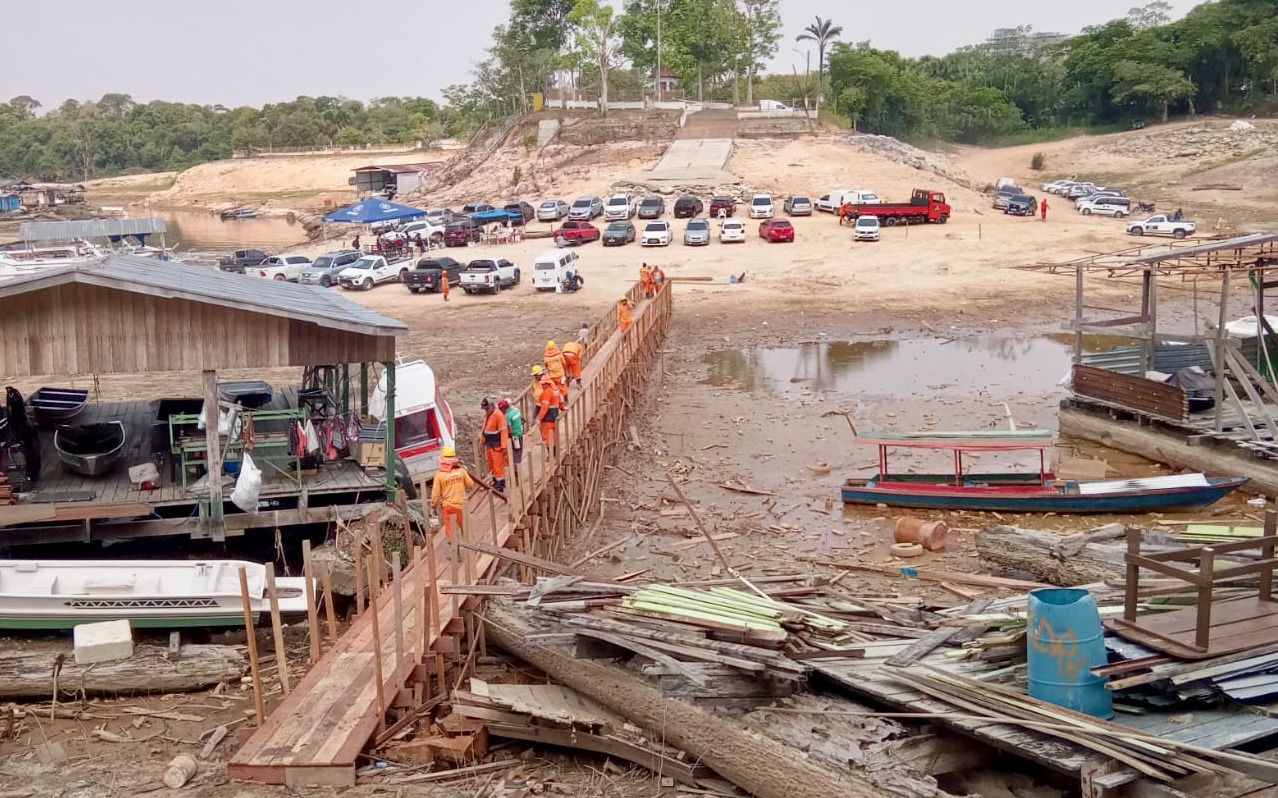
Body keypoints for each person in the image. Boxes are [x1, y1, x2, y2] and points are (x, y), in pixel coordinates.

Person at [429, 445, 473, 539]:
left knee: (451, 532)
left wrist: (433, 506)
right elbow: (470, 484)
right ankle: (469, 548)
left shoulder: (439, 475)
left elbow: (435, 494)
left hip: (448, 506)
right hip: (461, 505)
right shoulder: (461, 471)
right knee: (465, 530)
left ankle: (453, 545)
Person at [480, 397, 510, 493]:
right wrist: (482, 441)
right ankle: (495, 481)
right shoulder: (488, 415)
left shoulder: (498, 415)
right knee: (491, 464)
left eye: (487, 408)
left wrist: (504, 446)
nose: (486, 410)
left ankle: (500, 485)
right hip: (489, 444)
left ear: (492, 406)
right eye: (485, 409)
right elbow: (485, 429)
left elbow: (504, 432)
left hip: (497, 445)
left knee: (498, 465)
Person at [536, 374, 562, 449]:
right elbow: (561, 400)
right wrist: (562, 408)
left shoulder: (546, 392)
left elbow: (545, 406)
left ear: (546, 384)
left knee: (547, 437)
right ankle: (555, 452)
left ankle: (551, 456)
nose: (541, 385)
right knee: (554, 435)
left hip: (547, 418)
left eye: (542, 384)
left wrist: (539, 417)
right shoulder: (556, 390)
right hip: (554, 416)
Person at [500, 398, 524, 466]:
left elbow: (510, 429)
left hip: (514, 436)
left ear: (504, 408)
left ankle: (515, 468)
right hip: (520, 433)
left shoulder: (507, 416)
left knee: (515, 451)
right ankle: (517, 466)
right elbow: (522, 419)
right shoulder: (516, 410)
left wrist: (508, 436)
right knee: (519, 451)